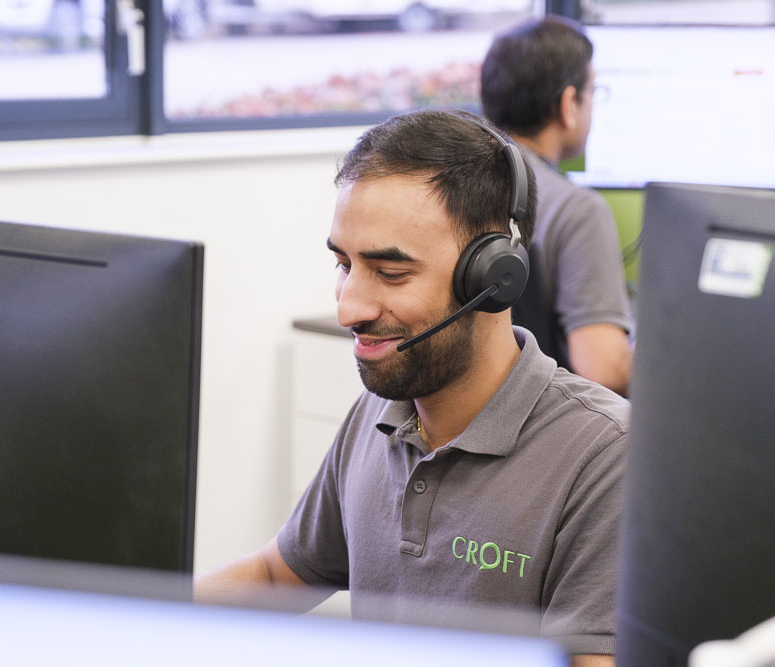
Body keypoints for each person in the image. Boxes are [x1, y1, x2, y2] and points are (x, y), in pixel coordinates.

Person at [194, 109, 628, 667]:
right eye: (343, 264)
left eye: (391, 273)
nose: (348, 307)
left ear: (494, 278)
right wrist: (124, 629)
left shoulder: (604, 457)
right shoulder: (381, 410)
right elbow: (280, 575)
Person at [481, 15, 634, 396]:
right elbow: (604, 370)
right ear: (569, 104)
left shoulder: (457, 185)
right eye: (593, 92)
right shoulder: (577, 210)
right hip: (552, 432)